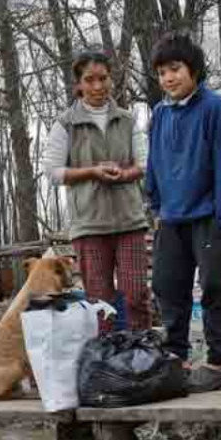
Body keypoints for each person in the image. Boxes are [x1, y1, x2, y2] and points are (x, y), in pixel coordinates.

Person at [146, 33, 221, 393]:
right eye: (161, 72)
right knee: (167, 286)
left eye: (175, 69)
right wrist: (156, 206)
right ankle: (176, 357)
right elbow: (154, 164)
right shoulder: (158, 114)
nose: (168, 78)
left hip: (208, 216)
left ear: (194, 70)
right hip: (171, 218)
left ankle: (217, 363)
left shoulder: (217, 109)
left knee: (215, 288)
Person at [44, 50, 150, 331]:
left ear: (111, 80)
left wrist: (125, 173)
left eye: (103, 78)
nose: (97, 86)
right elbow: (53, 172)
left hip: (130, 221)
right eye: (89, 80)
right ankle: (107, 364)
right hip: (89, 225)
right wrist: (92, 171)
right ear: (78, 84)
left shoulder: (127, 120)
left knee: (136, 295)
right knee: (100, 303)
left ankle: (142, 359)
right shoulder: (65, 123)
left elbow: (145, 162)